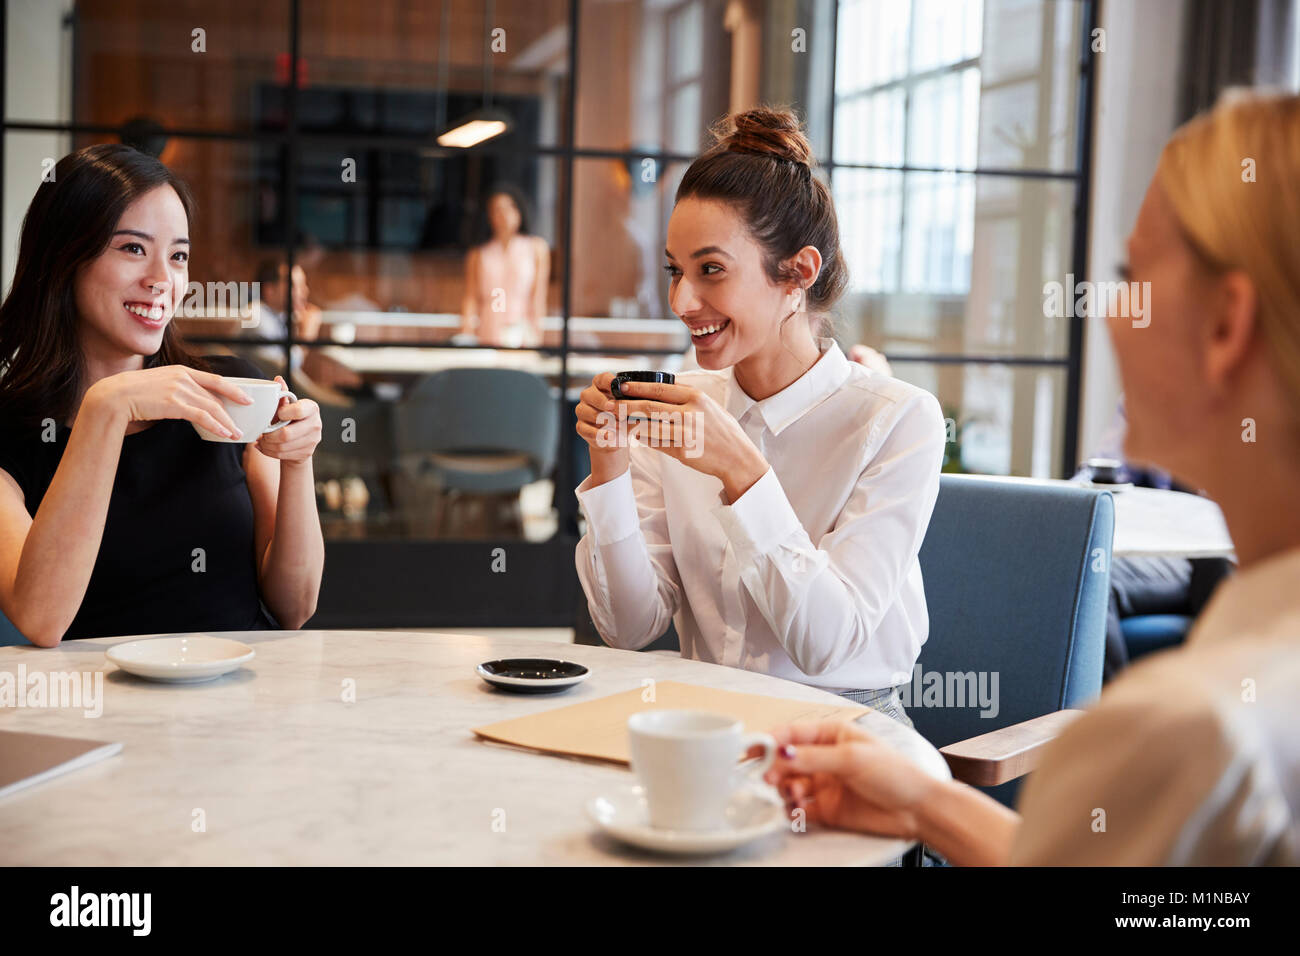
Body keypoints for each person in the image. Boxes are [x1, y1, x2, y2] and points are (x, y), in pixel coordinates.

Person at [764, 91, 1300, 864]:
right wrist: (927, 803)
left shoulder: (1193, 734)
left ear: (1226, 326)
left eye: (1132, 275)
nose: (1109, 312)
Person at [573, 108, 946, 723]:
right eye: (675, 270)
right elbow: (629, 629)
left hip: (847, 727)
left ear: (797, 274)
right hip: (706, 722)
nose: (682, 301)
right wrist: (610, 465)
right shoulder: (679, 409)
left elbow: (826, 645)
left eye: (710, 270)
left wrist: (742, 474)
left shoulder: (900, 421)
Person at [0, 144, 325, 646]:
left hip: (245, 702)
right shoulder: (11, 430)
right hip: (98, 714)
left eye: (177, 256)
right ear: (65, 258)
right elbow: (41, 620)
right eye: (132, 248)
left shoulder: (231, 387)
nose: (161, 281)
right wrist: (107, 410)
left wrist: (298, 462)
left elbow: (295, 607)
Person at [459, 185, 550, 347]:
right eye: (497, 210)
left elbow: (538, 297)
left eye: (510, 207)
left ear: (520, 210)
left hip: (522, 330)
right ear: (489, 216)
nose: (504, 215)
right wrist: (466, 334)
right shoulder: (479, 253)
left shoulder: (536, 248)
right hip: (488, 328)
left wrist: (537, 336)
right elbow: (471, 297)